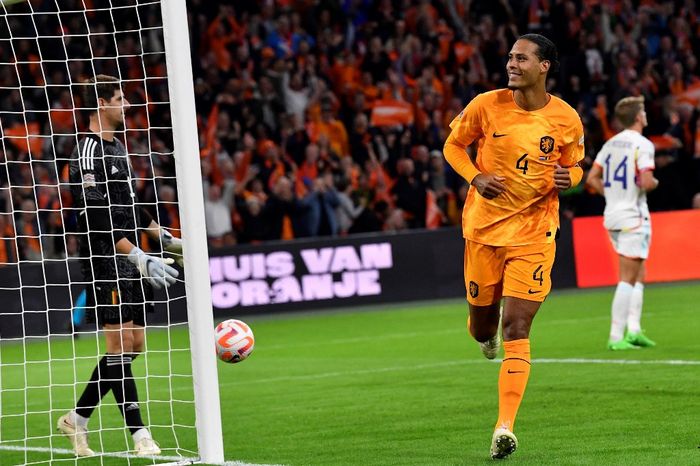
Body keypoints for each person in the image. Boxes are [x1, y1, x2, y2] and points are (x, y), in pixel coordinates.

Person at [443, 34, 584, 459]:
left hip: (535, 234)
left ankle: (504, 428)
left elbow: (575, 164)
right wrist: (475, 176)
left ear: (544, 66)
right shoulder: (486, 105)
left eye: (521, 58)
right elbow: (452, 146)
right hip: (484, 233)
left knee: (517, 328)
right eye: (509, 57)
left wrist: (571, 180)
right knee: (483, 329)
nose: (511, 63)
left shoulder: (566, 118)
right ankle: (484, 336)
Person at [57, 75, 182, 457]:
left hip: (129, 257)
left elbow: (128, 205)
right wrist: (136, 254)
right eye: (120, 98)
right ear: (101, 103)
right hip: (104, 258)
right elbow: (95, 215)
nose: (126, 105)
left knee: (135, 343)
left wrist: (160, 235)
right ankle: (140, 434)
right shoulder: (88, 150)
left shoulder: (118, 149)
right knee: (117, 345)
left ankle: (76, 419)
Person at [585, 96, 659, 350]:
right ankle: (617, 336)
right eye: (644, 111)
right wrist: (654, 183)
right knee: (627, 278)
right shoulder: (643, 144)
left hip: (613, 215)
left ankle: (634, 330)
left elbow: (592, 178)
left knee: (639, 273)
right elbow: (647, 182)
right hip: (633, 217)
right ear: (639, 117)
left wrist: (612, 195)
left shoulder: (609, 145)